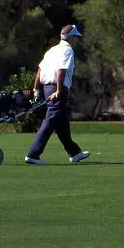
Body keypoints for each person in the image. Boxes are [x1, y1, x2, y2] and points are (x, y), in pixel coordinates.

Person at [25, 25, 91, 165]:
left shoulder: (52, 50)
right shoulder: (68, 50)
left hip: (47, 88)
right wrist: (59, 91)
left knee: (61, 122)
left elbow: (40, 70)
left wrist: (36, 89)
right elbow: (61, 70)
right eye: (76, 37)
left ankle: (75, 153)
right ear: (71, 37)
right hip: (57, 88)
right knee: (51, 119)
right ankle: (33, 154)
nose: (77, 41)